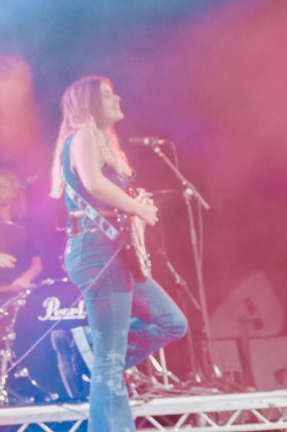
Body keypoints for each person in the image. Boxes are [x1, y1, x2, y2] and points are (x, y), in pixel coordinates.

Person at [48, 76, 187, 432]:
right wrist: (137, 208)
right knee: (109, 363)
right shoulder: (83, 135)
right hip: (96, 252)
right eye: (108, 95)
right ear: (89, 104)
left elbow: (113, 208)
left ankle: (84, 345)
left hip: (115, 253)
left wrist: (136, 214)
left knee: (172, 322)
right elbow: (93, 184)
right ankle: (94, 356)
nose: (117, 99)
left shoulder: (103, 142)